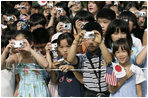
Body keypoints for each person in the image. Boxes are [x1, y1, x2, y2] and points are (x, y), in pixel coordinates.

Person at [67, 22, 112, 97]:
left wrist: (100, 42)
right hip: (89, 93)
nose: (91, 42)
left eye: (94, 38)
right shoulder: (82, 58)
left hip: (108, 93)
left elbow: (109, 60)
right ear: (83, 40)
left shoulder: (106, 52)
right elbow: (70, 59)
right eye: (87, 38)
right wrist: (76, 40)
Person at [1, 30, 50, 97]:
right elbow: (1, 66)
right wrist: (6, 50)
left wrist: (30, 49)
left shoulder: (36, 55)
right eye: (17, 43)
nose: (20, 46)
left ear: (31, 43)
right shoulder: (16, 57)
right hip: (24, 90)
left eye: (22, 42)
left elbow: (45, 64)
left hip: (39, 90)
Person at [46, 33, 84, 97]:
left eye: (68, 46)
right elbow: (54, 80)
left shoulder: (79, 58)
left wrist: (72, 69)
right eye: (61, 47)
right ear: (57, 48)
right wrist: (53, 70)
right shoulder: (58, 62)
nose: (65, 50)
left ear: (74, 46)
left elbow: (83, 81)